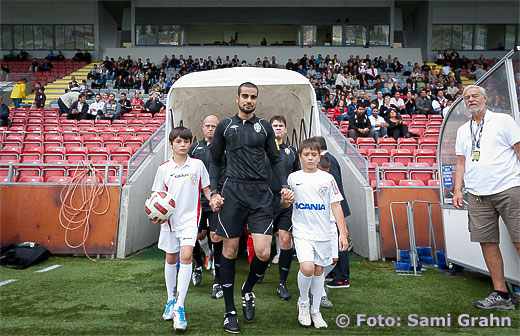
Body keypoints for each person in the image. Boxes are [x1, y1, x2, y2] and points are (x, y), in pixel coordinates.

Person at [208, 82, 293, 333]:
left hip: (260, 194)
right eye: (245, 96)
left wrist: (285, 184)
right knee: (230, 251)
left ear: (257, 100)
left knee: (264, 253)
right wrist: (214, 191)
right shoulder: (226, 125)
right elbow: (214, 159)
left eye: (253, 97)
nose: (249, 100)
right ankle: (229, 310)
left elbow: (276, 159)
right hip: (233, 192)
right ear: (237, 99)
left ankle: (247, 290)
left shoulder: (264, 126)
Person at [452, 85, 520, 311]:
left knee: (519, 240)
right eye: (467, 97)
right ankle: (501, 293)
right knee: (487, 242)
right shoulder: (463, 130)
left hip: (509, 188)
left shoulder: (503, 121)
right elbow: (461, 162)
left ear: (485, 98)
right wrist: (458, 190)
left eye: (475, 96)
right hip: (477, 194)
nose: (471, 100)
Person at [281, 138, 348, 330]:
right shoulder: (293, 178)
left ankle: (315, 311)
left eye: (314, 155)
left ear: (319, 157)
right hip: (302, 231)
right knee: (308, 268)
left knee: (319, 271)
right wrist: (286, 201)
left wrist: (342, 233)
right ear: (300, 157)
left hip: (324, 233)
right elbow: (285, 204)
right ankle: (303, 303)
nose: (310, 158)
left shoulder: (328, 179)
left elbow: (336, 205)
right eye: (306, 155)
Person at [150, 126, 211, 331]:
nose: (183, 145)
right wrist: (154, 215)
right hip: (169, 221)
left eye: (186, 141)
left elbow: (206, 189)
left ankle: (180, 306)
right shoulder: (163, 169)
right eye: (178, 141)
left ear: (191, 143)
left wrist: (213, 199)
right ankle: (170, 299)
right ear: (171, 144)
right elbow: (156, 197)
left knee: (186, 256)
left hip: (190, 220)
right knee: (170, 258)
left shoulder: (198, 165)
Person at [188, 115, 223, 298]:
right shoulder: (195, 148)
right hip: (197, 201)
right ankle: (199, 264)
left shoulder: (224, 148)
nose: (210, 129)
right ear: (202, 127)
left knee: (215, 236)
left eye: (214, 126)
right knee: (197, 235)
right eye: (207, 126)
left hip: (215, 199)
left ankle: (216, 272)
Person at [266, 115, 300, 300]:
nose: (277, 128)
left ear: (285, 130)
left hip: (285, 202)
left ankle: (282, 282)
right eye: (274, 126)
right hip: (265, 202)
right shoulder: (262, 151)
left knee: (285, 240)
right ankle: (259, 270)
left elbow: (296, 177)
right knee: (262, 246)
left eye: (280, 126)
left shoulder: (292, 152)